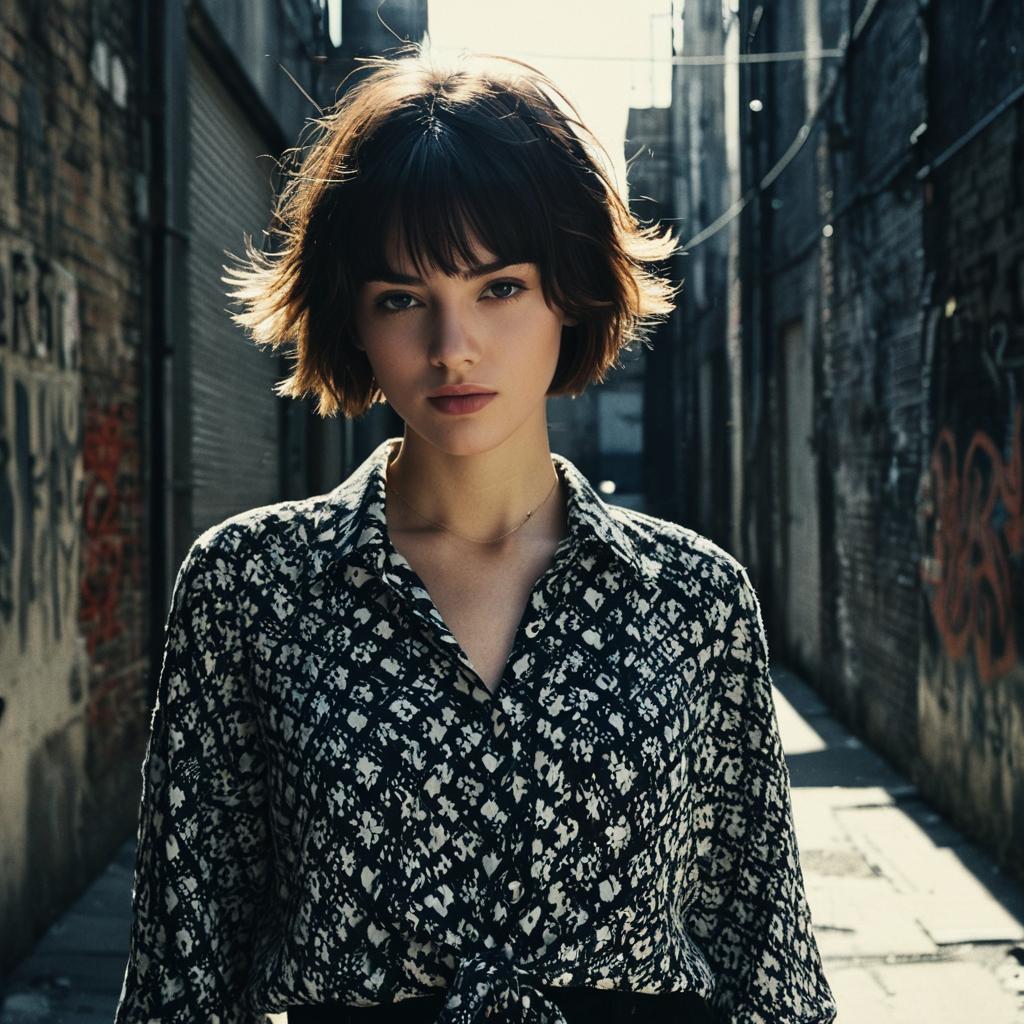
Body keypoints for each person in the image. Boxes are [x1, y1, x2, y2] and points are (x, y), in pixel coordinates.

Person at [113, 44, 837, 1024]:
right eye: (403, 299)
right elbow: (179, 976)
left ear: (567, 295)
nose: (452, 346)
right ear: (356, 322)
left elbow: (770, 972)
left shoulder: (692, 596)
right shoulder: (251, 586)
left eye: (498, 287)